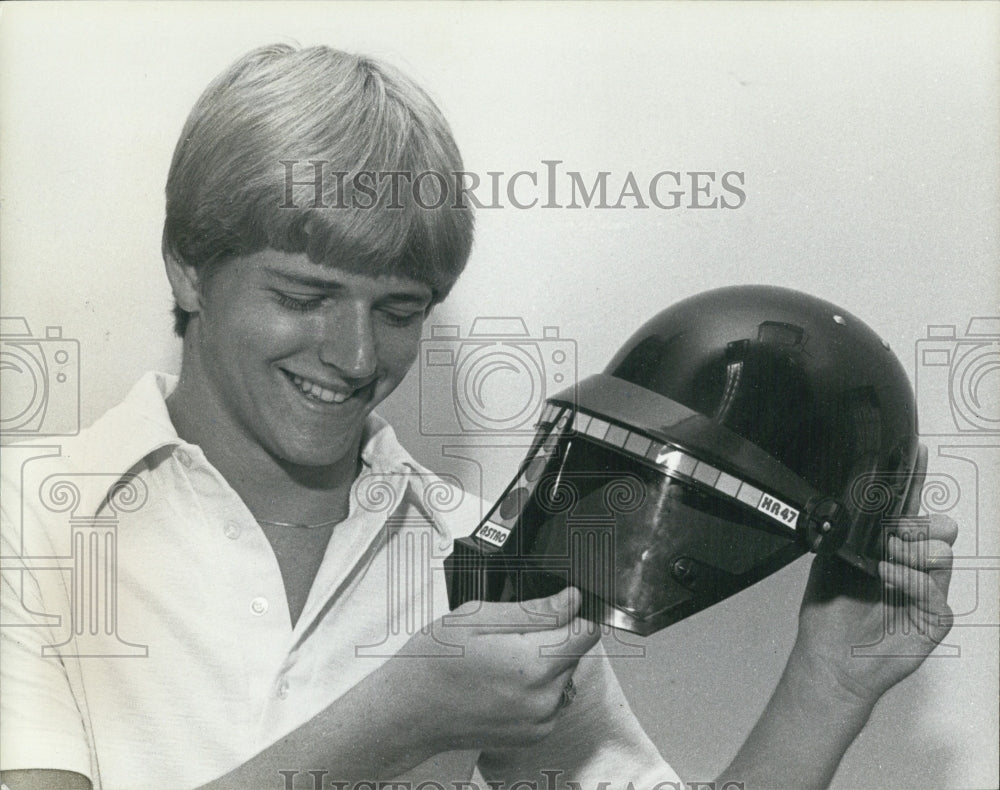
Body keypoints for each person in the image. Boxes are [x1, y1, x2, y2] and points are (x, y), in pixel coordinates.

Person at [0, 44, 957, 790]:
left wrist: (829, 684)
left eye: (400, 309)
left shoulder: (483, 550)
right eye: (305, 293)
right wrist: (403, 718)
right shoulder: (28, 521)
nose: (358, 355)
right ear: (187, 267)